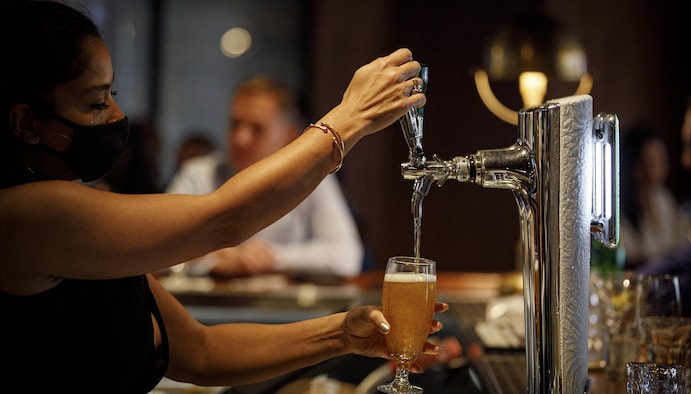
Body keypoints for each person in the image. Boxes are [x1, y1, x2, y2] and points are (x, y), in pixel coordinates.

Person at [0, 1, 442, 392]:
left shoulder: (76, 218)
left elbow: (200, 350)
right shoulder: (24, 216)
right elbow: (224, 220)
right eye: (96, 103)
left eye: (112, 94)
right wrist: (350, 117)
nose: (118, 115)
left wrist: (343, 334)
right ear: (26, 124)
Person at [166, 76, 364, 278]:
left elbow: (345, 257)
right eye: (235, 124)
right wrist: (215, 263)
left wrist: (269, 257)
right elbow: (163, 244)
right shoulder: (198, 173)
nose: (240, 138)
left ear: (288, 135)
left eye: (257, 128)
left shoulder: (312, 177)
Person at [635, 92, 691, 318]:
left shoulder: (664, 200)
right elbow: (688, 255)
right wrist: (636, 281)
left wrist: (649, 290)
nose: (686, 160)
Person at [619, 126, 686, 268]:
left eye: (662, 161)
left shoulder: (663, 198)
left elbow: (680, 246)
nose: (660, 170)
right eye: (652, 163)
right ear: (634, 166)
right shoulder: (616, 208)